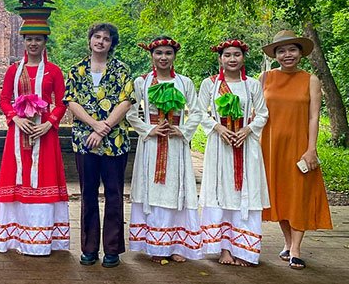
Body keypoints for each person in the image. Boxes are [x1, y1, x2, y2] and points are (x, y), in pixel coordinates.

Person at [64, 22, 136, 268]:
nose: (101, 41)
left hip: (114, 141)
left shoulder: (121, 70)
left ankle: (112, 249)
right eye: (97, 37)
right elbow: (70, 101)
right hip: (85, 140)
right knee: (88, 194)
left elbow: (126, 102)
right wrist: (94, 125)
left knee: (114, 194)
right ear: (90, 40)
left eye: (106, 38)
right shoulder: (76, 70)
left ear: (111, 44)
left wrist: (104, 128)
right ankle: (89, 247)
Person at [0, 21, 69, 256]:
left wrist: (49, 123)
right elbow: (5, 99)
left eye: (38, 39)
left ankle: (43, 238)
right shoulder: (13, 70)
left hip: (45, 135)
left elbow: (62, 102)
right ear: (24, 42)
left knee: (43, 177)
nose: (33, 43)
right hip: (18, 133)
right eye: (29, 39)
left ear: (45, 42)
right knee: (18, 178)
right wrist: (14, 119)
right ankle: (16, 238)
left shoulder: (54, 71)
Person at [260, 30, 332, 270]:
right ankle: (288, 243)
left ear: (300, 53)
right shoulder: (265, 77)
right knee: (279, 194)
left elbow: (314, 117)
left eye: (292, 49)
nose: (287, 54)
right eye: (281, 50)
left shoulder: (310, 79)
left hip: (299, 146)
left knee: (298, 195)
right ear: (275, 55)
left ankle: (296, 250)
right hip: (270, 147)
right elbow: (257, 113)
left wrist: (311, 149)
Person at [127, 36, 203, 263]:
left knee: (176, 190)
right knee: (152, 190)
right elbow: (131, 113)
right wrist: (149, 130)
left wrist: (183, 130)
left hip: (176, 144)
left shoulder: (184, 82)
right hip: (150, 144)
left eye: (168, 53)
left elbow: (197, 111)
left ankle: (178, 245)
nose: (163, 57)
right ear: (152, 55)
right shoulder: (141, 82)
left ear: (174, 56)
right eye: (159, 53)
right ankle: (154, 245)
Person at [198, 39, 269, 267]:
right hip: (220, 146)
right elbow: (200, 113)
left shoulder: (252, 85)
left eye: (236, 55)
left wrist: (248, 130)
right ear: (220, 59)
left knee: (245, 194)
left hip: (246, 146)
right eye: (227, 55)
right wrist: (218, 128)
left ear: (243, 58)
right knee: (221, 192)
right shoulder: (210, 85)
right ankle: (224, 248)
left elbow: (263, 114)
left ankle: (244, 250)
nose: (232, 59)